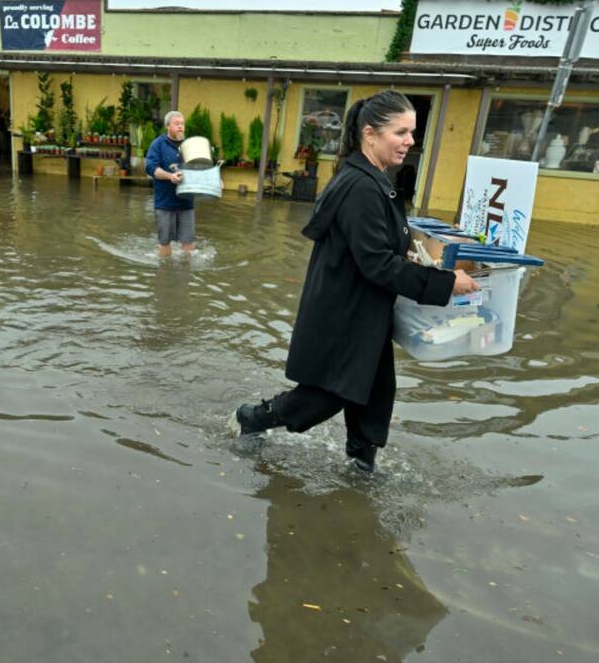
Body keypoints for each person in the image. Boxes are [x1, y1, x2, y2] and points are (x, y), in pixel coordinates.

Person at [231, 91, 479, 472]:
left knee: (373, 392)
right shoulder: (362, 187)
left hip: (365, 310)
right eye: (401, 132)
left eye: (412, 132)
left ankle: (362, 466)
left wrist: (422, 255)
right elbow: (378, 264)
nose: (410, 141)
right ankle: (254, 417)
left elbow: (377, 250)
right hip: (345, 314)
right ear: (370, 134)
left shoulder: (370, 178)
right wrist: (445, 283)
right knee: (323, 399)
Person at [145, 110, 196, 256]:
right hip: (165, 202)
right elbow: (151, 168)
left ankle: (185, 272)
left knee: (189, 241)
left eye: (182, 124)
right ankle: (165, 272)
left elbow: (202, 165)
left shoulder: (189, 145)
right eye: (176, 124)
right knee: (164, 242)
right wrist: (170, 176)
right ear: (168, 126)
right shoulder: (158, 145)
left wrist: (215, 179)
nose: (181, 127)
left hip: (186, 202)